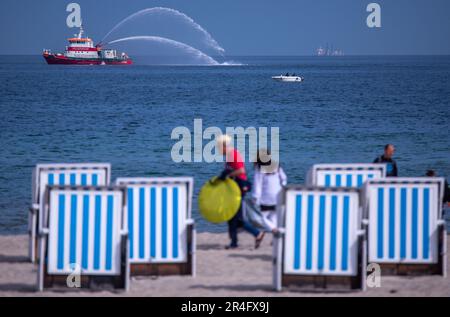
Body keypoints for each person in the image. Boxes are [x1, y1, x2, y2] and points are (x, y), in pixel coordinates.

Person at [217, 135, 265, 249]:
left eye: (219, 147)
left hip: (240, 187)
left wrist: (228, 175)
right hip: (234, 187)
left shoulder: (232, 154)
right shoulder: (228, 156)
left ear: (224, 146)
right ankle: (234, 241)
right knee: (231, 216)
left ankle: (257, 233)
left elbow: (241, 170)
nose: (218, 150)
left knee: (236, 218)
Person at [252, 149, 287, 234]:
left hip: (266, 198)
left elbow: (258, 185)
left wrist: (255, 198)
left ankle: (274, 230)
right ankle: (276, 237)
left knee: (260, 218)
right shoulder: (277, 166)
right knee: (273, 218)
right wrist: (281, 188)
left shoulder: (259, 168)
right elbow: (284, 179)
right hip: (278, 196)